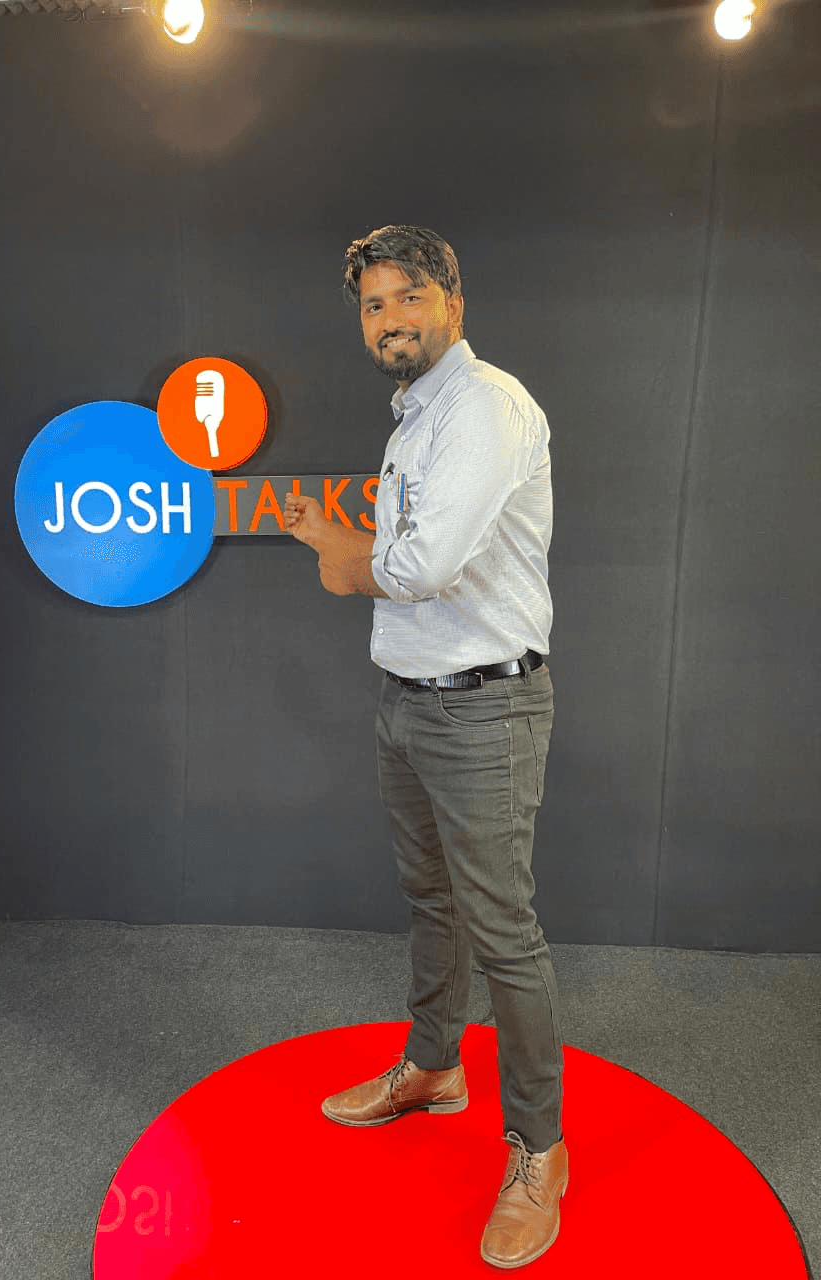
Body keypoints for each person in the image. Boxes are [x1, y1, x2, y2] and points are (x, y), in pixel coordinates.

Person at [284, 225, 566, 1270]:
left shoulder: (484, 405)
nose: (389, 318)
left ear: (453, 299)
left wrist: (339, 553)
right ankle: (435, 1069)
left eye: (408, 296)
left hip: (484, 709)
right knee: (434, 900)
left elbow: (425, 564)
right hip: (409, 700)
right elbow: (410, 560)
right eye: (372, 305)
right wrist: (354, 553)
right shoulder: (418, 417)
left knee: (503, 930)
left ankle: (539, 1151)